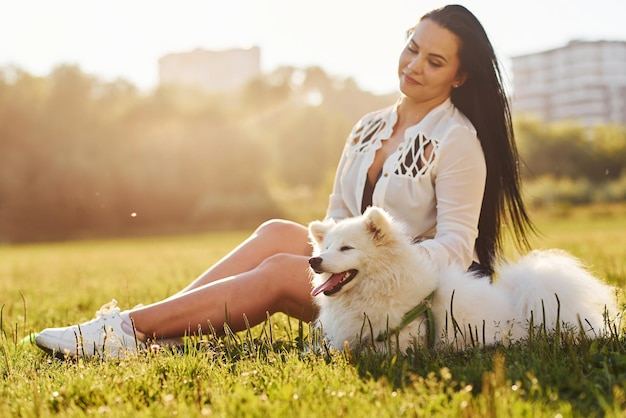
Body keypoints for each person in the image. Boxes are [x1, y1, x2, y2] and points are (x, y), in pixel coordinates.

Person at [34, 4, 534, 359]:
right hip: (355, 278)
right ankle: (156, 329)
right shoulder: (368, 127)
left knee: (278, 270)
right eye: (412, 48)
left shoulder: (457, 139)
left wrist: (384, 262)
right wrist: (340, 254)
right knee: (277, 231)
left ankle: (124, 330)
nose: (414, 66)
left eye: (435, 61)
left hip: (407, 300)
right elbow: (338, 213)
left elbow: (456, 246)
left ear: (460, 78)